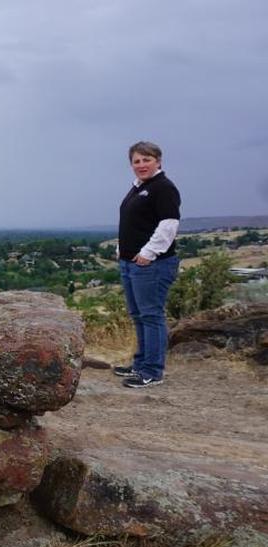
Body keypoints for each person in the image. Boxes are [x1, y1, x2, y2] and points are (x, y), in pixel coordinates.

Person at [114, 141, 181, 388]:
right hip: (131, 262)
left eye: (146, 159)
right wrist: (122, 249)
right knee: (138, 315)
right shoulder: (139, 187)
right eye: (136, 161)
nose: (141, 165)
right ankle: (141, 364)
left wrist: (148, 253)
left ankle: (152, 371)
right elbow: (135, 223)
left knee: (151, 316)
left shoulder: (163, 188)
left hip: (151, 265)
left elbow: (169, 224)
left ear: (158, 161)